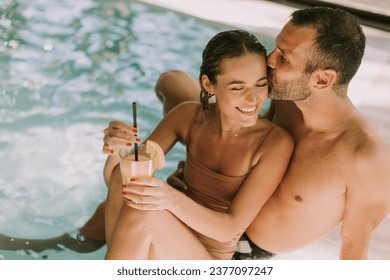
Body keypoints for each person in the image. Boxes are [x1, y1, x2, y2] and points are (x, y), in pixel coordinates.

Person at [149, 7, 390, 260]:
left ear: (321, 80)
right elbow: (245, 138)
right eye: (276, 48)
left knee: (137, 216)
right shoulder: (288, 99)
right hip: (217, 200)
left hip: (241, 246)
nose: (270, 61)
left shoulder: (366, 159)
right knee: (171, 81)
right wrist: (201, 169)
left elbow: (353, 249)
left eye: (284, 58)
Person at [102, 30, 293, 259]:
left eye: (260, 85)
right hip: (165, 237)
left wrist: (171, 199)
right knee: (129, 186)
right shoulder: (187, 116)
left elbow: (228, 229)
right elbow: (120, 179)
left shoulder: (274, 144)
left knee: (146, 210)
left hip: (206, 257)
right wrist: (117, 149)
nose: (253, 99)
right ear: (209, 84)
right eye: (237, 88)